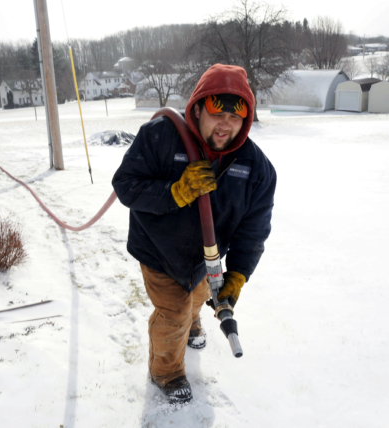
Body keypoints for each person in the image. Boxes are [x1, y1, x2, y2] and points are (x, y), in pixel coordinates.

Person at [112, 64, 277, 404]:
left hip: (206, 258)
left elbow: (253, 231)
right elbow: (125, 186)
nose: (226, 124)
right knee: (173, 313)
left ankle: (194, 324)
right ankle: (166, 371)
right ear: (198, 107)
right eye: (218, 111)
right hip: (159, 251)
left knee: (200, 295)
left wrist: (239, 276)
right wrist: (175, 192)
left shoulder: (256, 169)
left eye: (237, 114)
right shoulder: (160, 136)